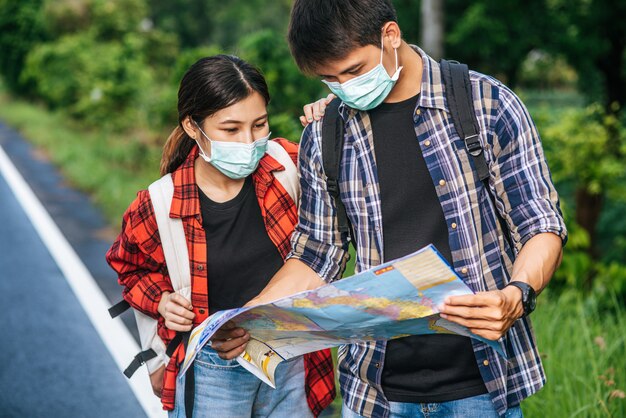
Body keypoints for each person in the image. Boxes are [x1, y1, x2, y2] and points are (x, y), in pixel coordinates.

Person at [212, 1, 568, 417]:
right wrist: (253, 317)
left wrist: (517, 294)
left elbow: (539, 224)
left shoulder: (486, 104)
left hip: (480, 385)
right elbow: (316, 253)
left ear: (391, 36)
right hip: (376, 392)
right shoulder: (325, 134)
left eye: (354, 71)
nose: (344, 88)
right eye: (329, 78)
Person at [105, 55, 335, 418]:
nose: (249, 141)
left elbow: (345, 189)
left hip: (289, 357)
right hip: (213, 370)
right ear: (194, 127)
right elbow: (131, 268)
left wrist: (333, 120)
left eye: (259, 124)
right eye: (231, 129)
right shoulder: (160, 203)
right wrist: (163, 302)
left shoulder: (288, 165)